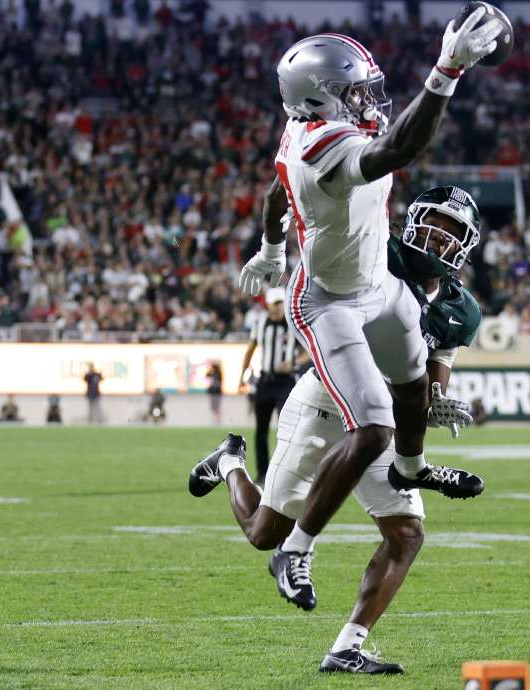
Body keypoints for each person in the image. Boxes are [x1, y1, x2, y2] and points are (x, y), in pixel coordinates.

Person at [236, 19, 499, 611]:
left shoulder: (297, 126)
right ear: (319, 95)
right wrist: (447, 73)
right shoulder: (321, 146)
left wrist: (271, 246)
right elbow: (399, 149)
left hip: (376, 284)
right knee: (375, 423)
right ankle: (295, 551)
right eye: (354, 91)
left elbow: (275, 190)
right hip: (327, 299)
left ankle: (412, 467)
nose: (366, 101)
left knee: (409, 386)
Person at [193, 186, 482, 674]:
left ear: (464, 246)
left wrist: (433, 400)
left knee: (406, 534)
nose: (437, 239)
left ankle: (347, 646)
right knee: (265, 534)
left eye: (451, 233)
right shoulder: (375, 255)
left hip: (381, 420)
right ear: (412, 221)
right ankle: (230, 463)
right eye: (433, 223)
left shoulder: (460, 309)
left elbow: (435, 368)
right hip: (325, 399)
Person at [241, 288, 308, 482]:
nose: (278, 307)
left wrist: (294, 363)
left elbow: (308, 351)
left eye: (281, 303)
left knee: (286, 428)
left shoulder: (292, 323)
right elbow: (250, 350)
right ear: (268, 304)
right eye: (275, 303)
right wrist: (242, 375)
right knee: (260, 430)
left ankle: (286, 473)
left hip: (285, 383)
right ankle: (263, 473)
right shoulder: (260, 323)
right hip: (265, 380)